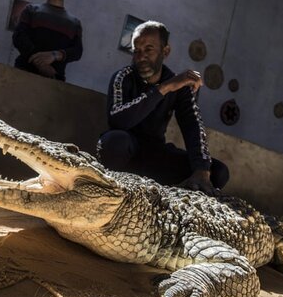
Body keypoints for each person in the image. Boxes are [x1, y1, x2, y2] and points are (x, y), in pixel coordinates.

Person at [97, 21, 229, 195]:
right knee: (113, 142)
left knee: (218, 172)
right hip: (127, 154)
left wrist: (202, 169)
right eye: (136, 51)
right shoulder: (123, 77)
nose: (141, 57)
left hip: (156, 158)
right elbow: (117, 120)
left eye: (149, 49)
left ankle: (169, 194)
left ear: (165, 51)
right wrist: (164, 88)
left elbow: (192, 125)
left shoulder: (179, 86)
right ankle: (116, 191)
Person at [12, 0, 83, 81]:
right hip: (24, 74)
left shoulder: (75, 23)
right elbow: (19, 37)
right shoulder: (31, 10)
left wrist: (54, 55)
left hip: (54, 80)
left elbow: (77, 51)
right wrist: (41, 64)